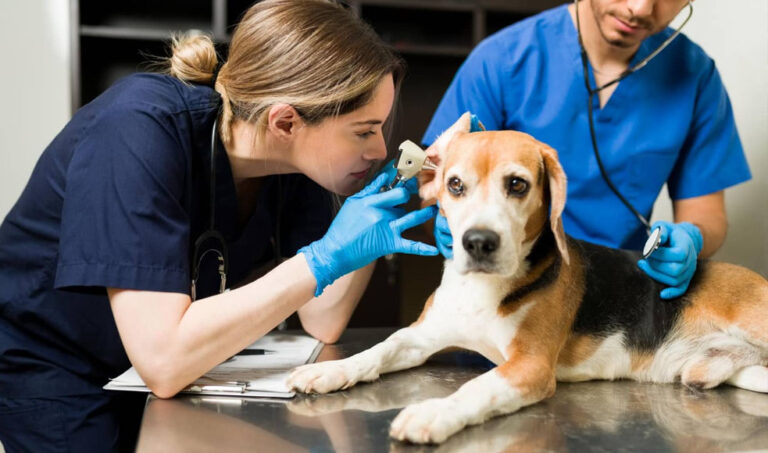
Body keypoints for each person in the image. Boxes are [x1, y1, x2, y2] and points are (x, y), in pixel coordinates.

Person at [0, 0, 438, 451]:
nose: (379, 149)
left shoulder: (292, 163)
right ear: (285, 121)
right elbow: (165, 360)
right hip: (55, 363)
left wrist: (370, 217)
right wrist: (324, 258)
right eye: (364, 131)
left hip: (161, 366)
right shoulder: (137, 130)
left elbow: (322, 319)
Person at [423, 0, 750, 299]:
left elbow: (706, 212)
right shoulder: (501, 60)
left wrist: (692, 238)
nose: (640, 8)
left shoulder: (695, 75)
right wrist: (445, 217)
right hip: (506, 290)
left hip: (620, 293)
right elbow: (434, 183)